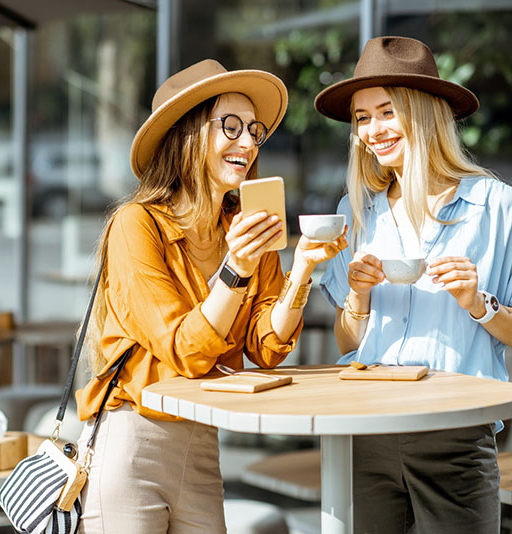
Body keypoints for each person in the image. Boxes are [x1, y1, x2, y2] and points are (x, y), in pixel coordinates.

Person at [74, 59, 348, 534]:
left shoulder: (242, 228)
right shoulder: (136, 226)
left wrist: (301, 268)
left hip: (203, 444)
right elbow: (185, 349)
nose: (248, 142)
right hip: (133, 440)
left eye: (253, 130)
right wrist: (236, 269)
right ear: (188, 134)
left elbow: (266, 347)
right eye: (231, 126)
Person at [315, 36, 512, 533]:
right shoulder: (354, 213)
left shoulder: (497, 206)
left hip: (455, 433)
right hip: (365, 428)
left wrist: (479, 303)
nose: (372, 131)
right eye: (362, 118)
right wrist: (357, 296)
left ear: (422, 113)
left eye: (386, 112)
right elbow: (348, 341)